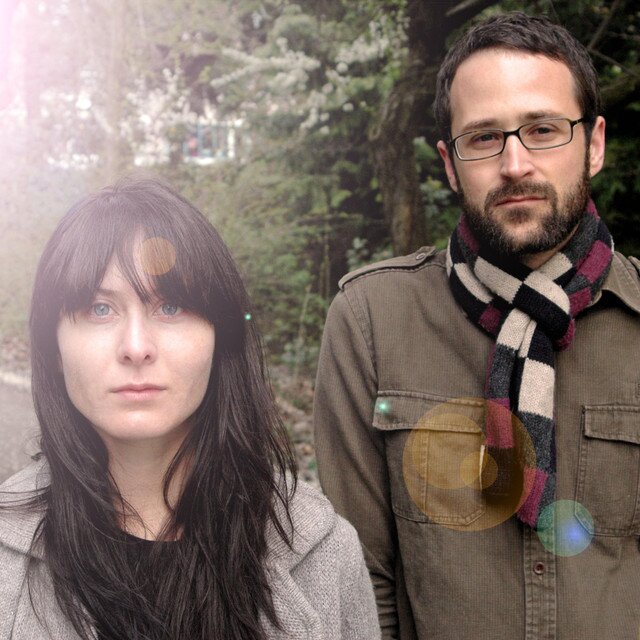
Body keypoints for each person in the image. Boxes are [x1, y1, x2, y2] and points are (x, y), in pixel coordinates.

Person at [314, 12, 640, 640]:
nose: (515, 164)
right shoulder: (372, 321)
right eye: (484, 138)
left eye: (543, 129)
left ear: (594, 144)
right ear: (449, 163)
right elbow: (357, 585)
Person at [0, 177, 380, 640]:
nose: (135, 347)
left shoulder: (324, 549)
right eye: (100, 309)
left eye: (171, 306)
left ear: (221, 338)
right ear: (53, 348)